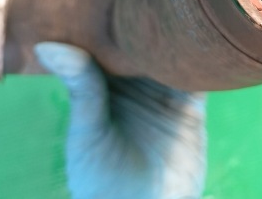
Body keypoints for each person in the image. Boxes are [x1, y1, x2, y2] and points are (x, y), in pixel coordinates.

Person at [35, 42, 207, 199]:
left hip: (171, 87)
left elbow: (82, 79)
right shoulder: (95, 180)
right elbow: (79, 75)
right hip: (165, 85)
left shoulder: (97, 180)